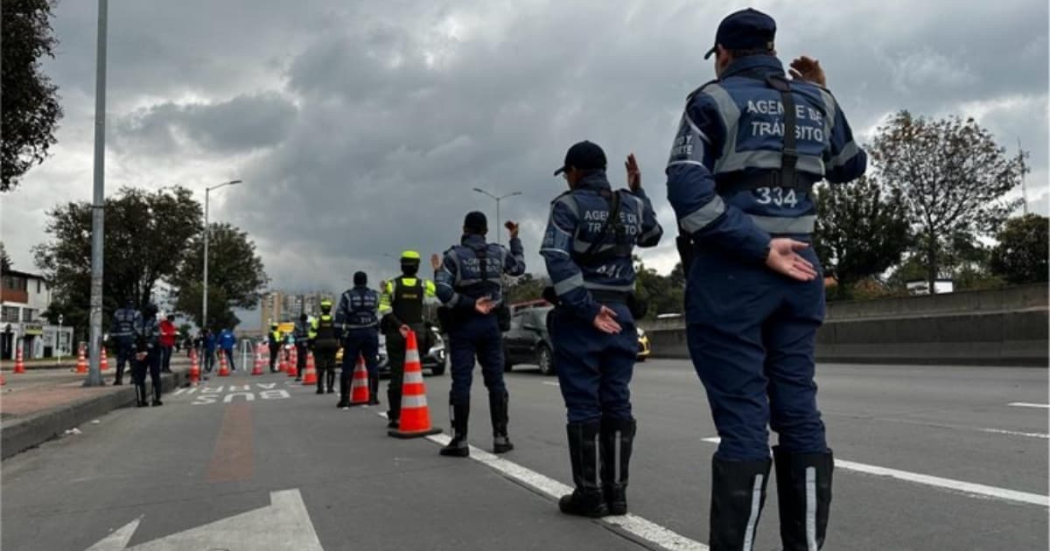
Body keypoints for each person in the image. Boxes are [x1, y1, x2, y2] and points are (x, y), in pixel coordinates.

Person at [666, 9, 867, 550]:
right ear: (774, 48)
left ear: (723, 53)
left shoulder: (712, 100)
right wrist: (825, 96)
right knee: (800, 414)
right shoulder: (819, 101)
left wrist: (757, 246)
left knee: (744, 425)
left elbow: (687, 195)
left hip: (735, 275)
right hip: (801, 272)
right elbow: (852, 167)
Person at [541, 141, 662, 517]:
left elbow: (557, 257)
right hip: (622, 315)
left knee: (583, 405)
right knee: (617, 401)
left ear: (574, 171)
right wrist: (639, 189)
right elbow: (653, 235)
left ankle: (590, 495)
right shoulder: (631, 203)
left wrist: (585, 308)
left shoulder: (568, 205)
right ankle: (617, 494)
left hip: (583, 317)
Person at [431, 211, 525, 457]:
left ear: (465, 229)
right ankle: (501, 438)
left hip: (464, 325)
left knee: (461, 382)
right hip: (492, 324)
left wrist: (468, 303)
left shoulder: (453, 256)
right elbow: (519, 267)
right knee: (496, 381)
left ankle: (460, 441)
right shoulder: (499, 252)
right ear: (485, 231)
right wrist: (515, 237)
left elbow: (441, 290)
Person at [378, 251, 437, 428]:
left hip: (396, 334)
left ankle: (395, 416)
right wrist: (436, 271)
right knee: (414, 374)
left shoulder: (391, 285)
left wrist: (399, 325)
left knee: (396, 374)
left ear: (401, 265)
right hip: (417, 334)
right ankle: (413, 410)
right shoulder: (424, 284)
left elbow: (383, 309)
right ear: (418, 266)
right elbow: (438, 290)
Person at [334, 272, 381, 408]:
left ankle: (345, 399)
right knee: (372, 364)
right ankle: (373, 397)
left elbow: (340, 315)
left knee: (348, 365)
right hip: (371, 333)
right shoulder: (374, 295)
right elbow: (380, 312)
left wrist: (338, 334)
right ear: (366, 281)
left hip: (353, 333)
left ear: (354, 281)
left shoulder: (347, 296)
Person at [132, 303, 163, 407]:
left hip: (140, 350)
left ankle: (141, 400)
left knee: (140, 376)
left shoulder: (137, 322)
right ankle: (155, 399)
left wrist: (137, 347)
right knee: (155, 375)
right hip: (152, 351)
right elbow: (156, 337)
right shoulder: (154, 322)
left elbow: (134, 335)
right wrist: (148, 347)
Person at [310, 299, 340, 394]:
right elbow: (338, 333)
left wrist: (311, 344)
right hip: (332, 344)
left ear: (321, 308)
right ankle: (330, 388)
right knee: (331, 367)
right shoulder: (334, 321)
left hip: (319, 345)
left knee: (320, 368)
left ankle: (320, 388)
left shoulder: (316, 321)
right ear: (330, 309)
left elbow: (311, 334)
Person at [109, 300, 141, 385]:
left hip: (120, 340)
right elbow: (138, 328)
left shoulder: (117, 313)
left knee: (120, 360)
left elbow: (113, 327)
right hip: (131, 340)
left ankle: (118, 379)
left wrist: (114, 338)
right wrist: (139, 339)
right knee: (133, 360)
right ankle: (133, 379)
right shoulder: (136, 313)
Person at [293, 313, 311, 381]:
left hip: (300, 343)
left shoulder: (297, 325)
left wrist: (296, 342)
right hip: (307, 343)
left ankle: (299, 375)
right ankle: (301, 374)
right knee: (308, 359)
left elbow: (294, 335)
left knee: (300, 359)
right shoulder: (309, 324)